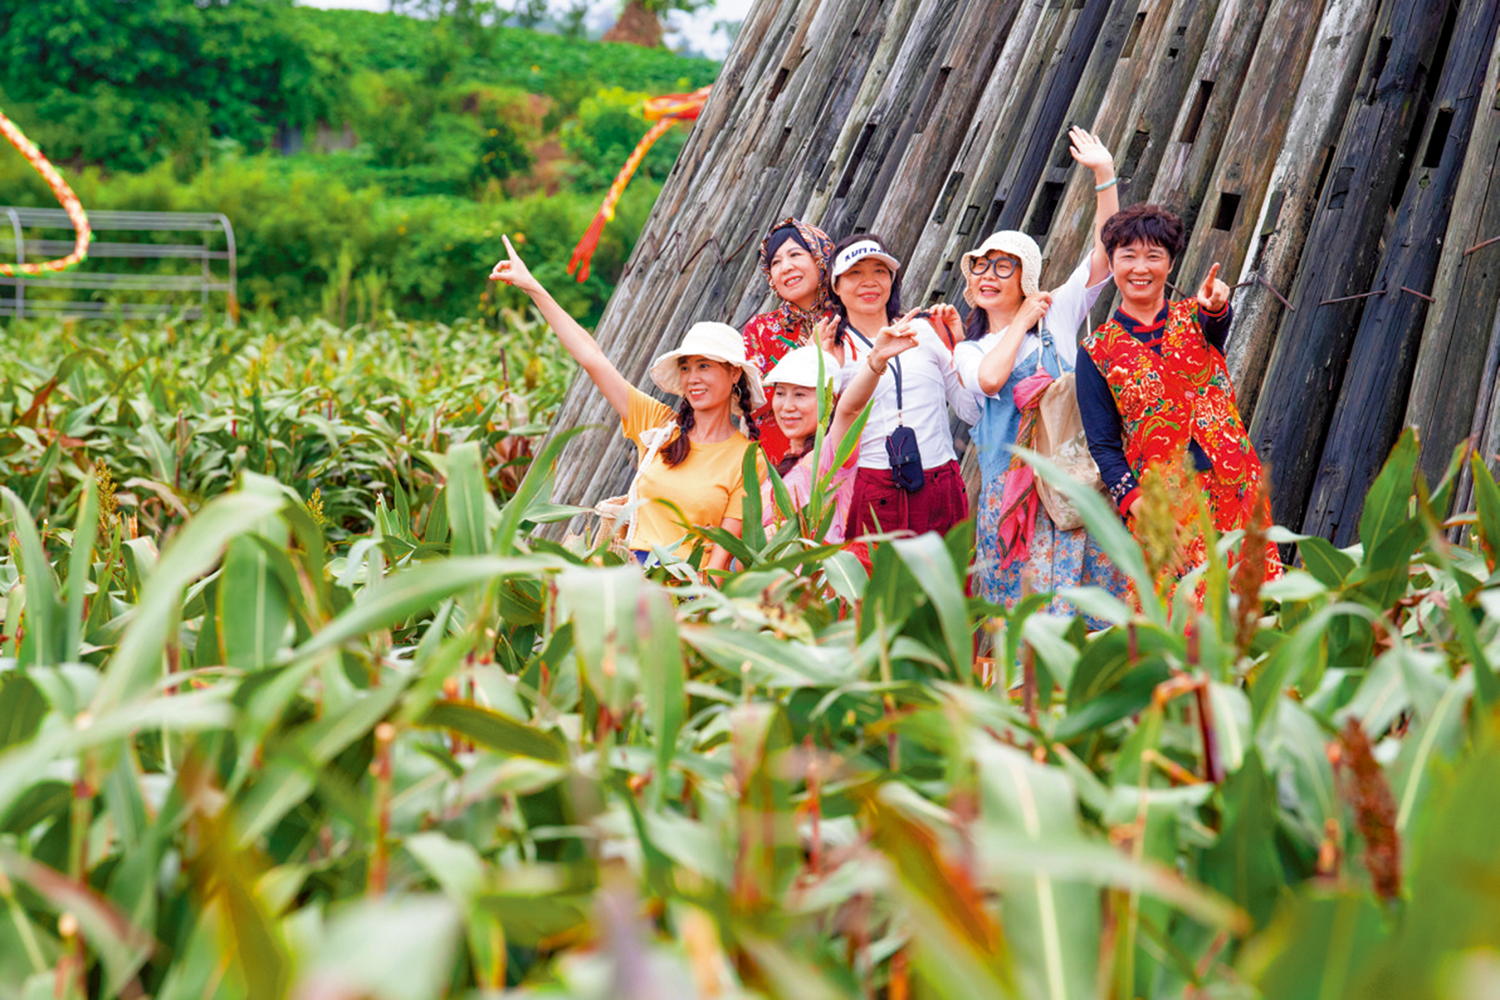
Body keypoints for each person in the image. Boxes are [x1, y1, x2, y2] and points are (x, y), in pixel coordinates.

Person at [490, 236, 763, 571]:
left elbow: (722, 559)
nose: (693, 378)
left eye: (704, 366)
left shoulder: (749, 458)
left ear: (734, 373)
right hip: (628, 578)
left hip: (687, 592)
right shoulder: (660, 427)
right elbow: (593, 359)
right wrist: (533, 287)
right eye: (686, 367)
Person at [953, 126, 1128, 618]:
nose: (988, 276)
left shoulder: (1057, 314)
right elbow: (990, 381)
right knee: (1025, 620)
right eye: (981, 268)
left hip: (1072, 489)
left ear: (1026, 277)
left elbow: (1104, 256)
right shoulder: (970, 350)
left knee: (1088, 615)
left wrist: (1104, 174)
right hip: (1012, 501)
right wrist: (1022, 321)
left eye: (1002, 267)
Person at [1076, 202, 1281, 601]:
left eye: (1154, 256)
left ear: (1169, 265)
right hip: (1166, 506)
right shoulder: (1097, 350)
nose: (1140, 267)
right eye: (1128, 256)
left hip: (1236, 488)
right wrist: (1139, 507)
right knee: (1180, 621)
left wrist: (1218, 305)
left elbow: (1216, 319)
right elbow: (1103, 446)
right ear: (1113, 263)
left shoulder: (1196, 317)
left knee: (1254, 611)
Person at [821, 234, 980, 542]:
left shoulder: (922, 330)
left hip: (941, 482)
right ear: (835, 286)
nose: (869, 281)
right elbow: (827, 437)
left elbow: (969, 410)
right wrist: (826, 368)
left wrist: (961, 346)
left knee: (945, 589)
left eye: (880, 271)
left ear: (892, 280)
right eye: (855, 273)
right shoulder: (832, 348)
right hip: (874, 487)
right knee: (878, 589)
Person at [759, 328, 920, 545]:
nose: (787, 406)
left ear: (830, 399)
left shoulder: (830, 454)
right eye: (780, 393)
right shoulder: (789, 460)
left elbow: (850, 410)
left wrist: (875, 361)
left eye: (800, 394)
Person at [741, 217, 837, 464]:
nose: (785, 267)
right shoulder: (761, 330)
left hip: (842, 456)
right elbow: (748, 400)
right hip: (777, 465)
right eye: (776, 262)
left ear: (821, 258)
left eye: (795, 255)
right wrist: (802, 361)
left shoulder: (846, 320)